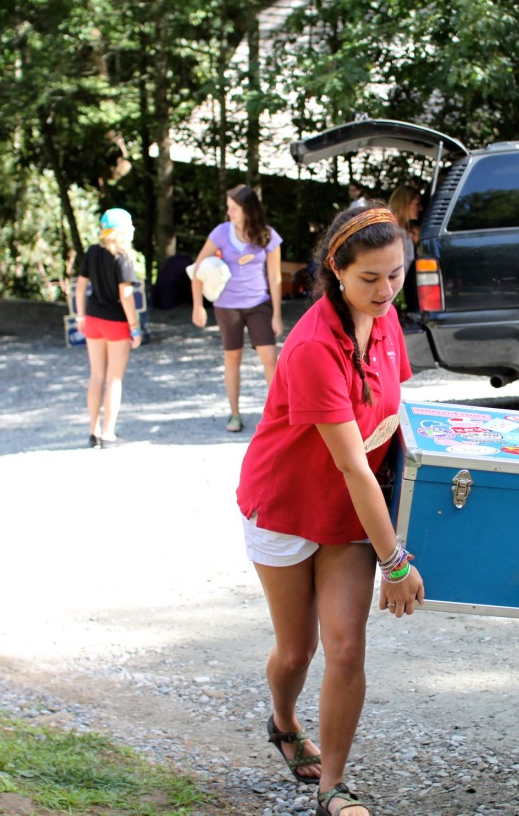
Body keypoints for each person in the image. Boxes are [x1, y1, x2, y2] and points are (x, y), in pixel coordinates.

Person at [236, 205, 422, 816]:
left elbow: (395, 416)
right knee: (298, 652)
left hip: (351, 511)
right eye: (370, 278)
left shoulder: (387, 318)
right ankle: (284, 722)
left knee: (346, 647)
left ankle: (332, 788)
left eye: (395, 274)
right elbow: (350, 464)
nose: (386, 290)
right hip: (287, 505)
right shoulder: (313, 345)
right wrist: (395, 563)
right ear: (336, 270)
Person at [191, 185, 283, 433]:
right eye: (228, 207)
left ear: (248, 209)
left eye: (233, 208)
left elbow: (275, 277)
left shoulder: (267, 235)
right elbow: (197, 269)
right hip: (227, 306)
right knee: (232, 357)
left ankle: (277, 414)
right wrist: (198, 306)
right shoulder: (221, 233)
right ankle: (234, 414)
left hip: (258, 304)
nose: (229, 212)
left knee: (270, 359)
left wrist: (276, 314)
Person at [75, 208, 143, 448]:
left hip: (93, 320)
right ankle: (108, 432)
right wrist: (135, 327)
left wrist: (80, 316)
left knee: (96, 376)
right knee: (114, 378)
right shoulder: (123, 257)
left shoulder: (93, 252)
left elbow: (80, 287)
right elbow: (126, 295)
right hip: (116, 323)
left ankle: (92, 431)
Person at [388, 184, 421, 269]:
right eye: (417, 204)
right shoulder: (384, 230)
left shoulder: (412, 232)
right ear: (405, 204)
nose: (420, 208)